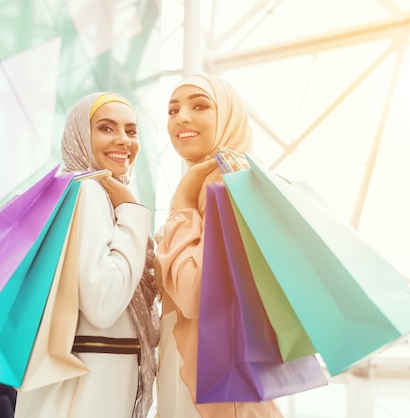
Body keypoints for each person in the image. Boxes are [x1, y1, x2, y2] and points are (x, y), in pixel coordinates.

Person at [14, 92, 160, 418]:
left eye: (131, 131)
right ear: (81, 134)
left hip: (86, 379)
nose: (123, 140)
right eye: (107, 128)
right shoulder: (87, 191)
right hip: (89, 386)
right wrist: (132, 213)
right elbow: (104, 302)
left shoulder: (71, 191)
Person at [154, 73, 284, 417]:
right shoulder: (215, 185)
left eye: (200, 105)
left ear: (228, 116)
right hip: (197, 374)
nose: (181, 117)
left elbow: (197, 293)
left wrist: (182, 204)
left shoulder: (231, 187)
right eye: (172, 109)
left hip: (215, 389)